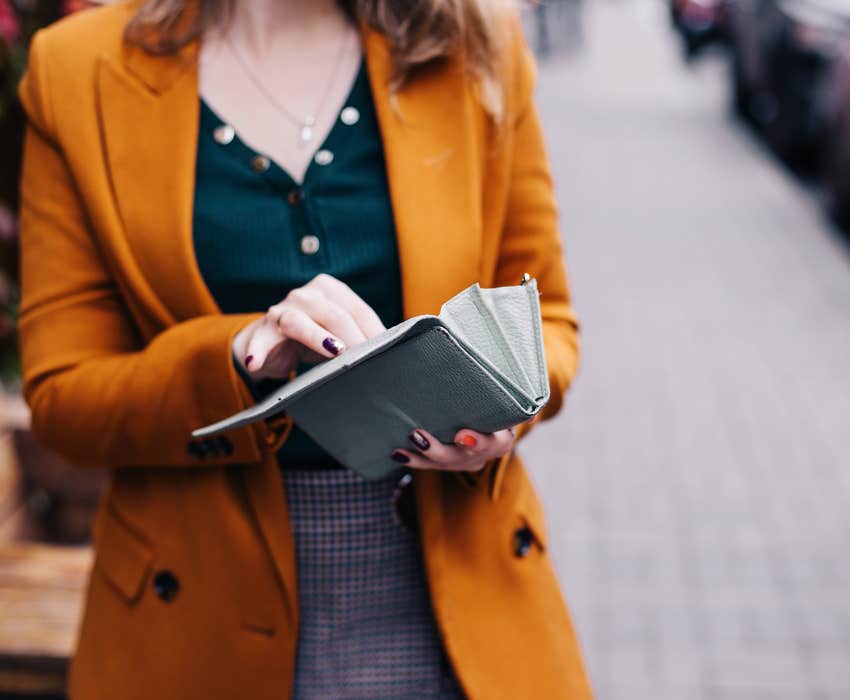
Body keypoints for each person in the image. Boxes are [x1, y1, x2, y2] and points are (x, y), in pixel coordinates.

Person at [16, 0, 592, 698]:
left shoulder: (472, 40)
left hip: (454, 591)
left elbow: (550, 323)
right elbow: (63, 396)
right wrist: (232, 359)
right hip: (192, 608)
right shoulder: (76, 68)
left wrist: (498, 411)